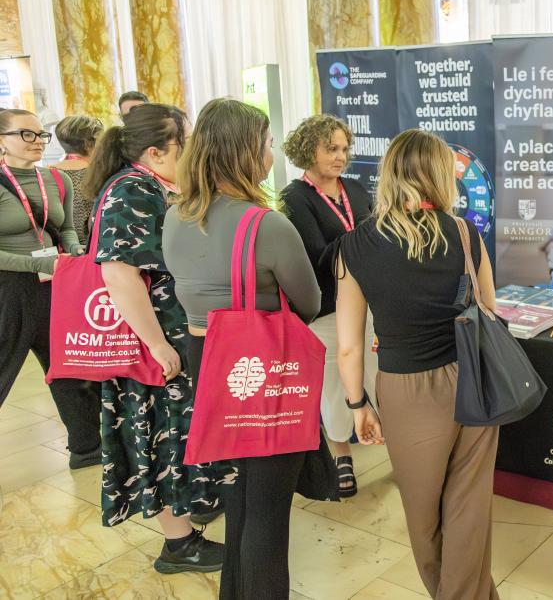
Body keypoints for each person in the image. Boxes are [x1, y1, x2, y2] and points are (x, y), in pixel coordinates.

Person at [163, 98, 324, 599]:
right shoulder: (267, 225)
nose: (271, 153)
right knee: (268, 511)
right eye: (267, 144)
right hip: (260, 366)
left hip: (204, 361)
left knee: (238, 496)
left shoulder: (176, 217)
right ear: (246, 153)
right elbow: (310, 303)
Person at [336, 128, 497, 600]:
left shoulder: (357, 244)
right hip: (474, 377)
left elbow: (349, 346)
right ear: (439, 176)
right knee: (469, 507)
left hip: (405, 389)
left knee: (422, 514)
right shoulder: (464, 233)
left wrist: (357, 404)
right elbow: (489, 309)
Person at [83, 102, 234, 572]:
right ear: (155, 151)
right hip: (156, 351)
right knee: (162, 441)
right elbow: (119, 273)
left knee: (180, 437)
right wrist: (158, 345)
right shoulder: (132, 190)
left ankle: (192, 511)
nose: (190, 151)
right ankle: (179, 544)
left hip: (171, 341)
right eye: (183, 143)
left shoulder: (153, 185)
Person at [279, 114, 375, 497]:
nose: (340, 157)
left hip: (369, 301)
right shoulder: (293, 197)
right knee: (334, 385)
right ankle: (341, 453)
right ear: (308, 151)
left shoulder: (355, 188)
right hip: (327, 307)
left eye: (344, 149)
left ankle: (384, 437)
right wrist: (365, 246)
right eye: (330, 149)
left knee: (374, 376)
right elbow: (318, 254)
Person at [0, 108, 101, 469]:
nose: (38, 142)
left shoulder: (55, 180)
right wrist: (34, 263)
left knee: (68, 365)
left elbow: (66, 228)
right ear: (2, 141)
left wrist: (73, 249)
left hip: (54, 284)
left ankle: (87, 447)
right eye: (26, 134)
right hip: (8, 288)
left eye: (41, 135)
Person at [53, 115, 104, 243]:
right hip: (90, 247)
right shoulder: (99, 174)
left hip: (59, 246)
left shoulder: (47, 173)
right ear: (88, 143)